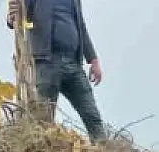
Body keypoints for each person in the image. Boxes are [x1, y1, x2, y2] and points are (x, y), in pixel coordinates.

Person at [6, 0, 107, 141]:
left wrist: (93, 59)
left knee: (92, 116)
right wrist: (12, 17)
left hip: (74, 64)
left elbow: (81, 26)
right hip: (46, 63)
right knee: (43, 119)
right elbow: (19, 15)